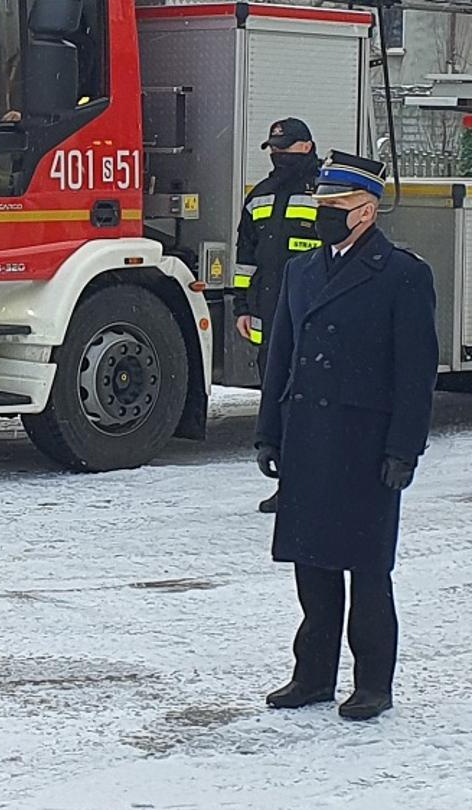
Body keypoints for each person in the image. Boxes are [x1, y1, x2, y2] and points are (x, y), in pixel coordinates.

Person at [258, 151, 436, 722]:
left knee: (366, 568)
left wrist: (403, 449)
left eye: (336, 205)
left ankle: (373, 683)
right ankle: (312, 676)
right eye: (322, 204)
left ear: (367, 211)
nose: (324, 215)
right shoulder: (302, 271)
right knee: (312, 567)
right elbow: (281, 358)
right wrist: (269, 435)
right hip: (309, 438)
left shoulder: (403, 275)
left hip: (364, 444)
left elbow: (415, 373)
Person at [237, 117, 324, 514]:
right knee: (278, 402)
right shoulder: (261, 195)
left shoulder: (326, 193)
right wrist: (242, 306)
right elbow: (246, 256)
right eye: (273, 148)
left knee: (311, 405)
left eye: (285, 147)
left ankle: (316, 486)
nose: (277, 154)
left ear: (307, 147)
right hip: (271, 318)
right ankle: (288, 484)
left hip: (313, 318)